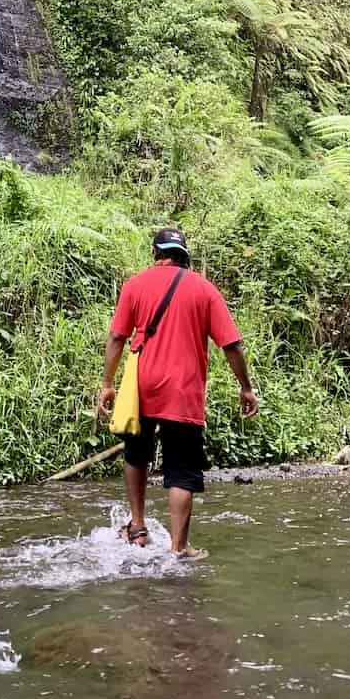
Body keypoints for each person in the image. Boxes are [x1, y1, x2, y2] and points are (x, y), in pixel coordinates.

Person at [98, 227, 258, 558]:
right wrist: (245, 387)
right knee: (181, 469)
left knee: (136, 453)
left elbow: (116, 337)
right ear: (185, 256)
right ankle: (178, 549)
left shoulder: (136, 284)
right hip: (183, 391)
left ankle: (138, 528)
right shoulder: (205, 290)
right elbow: (232, 345)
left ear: (156, 254)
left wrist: (108, 383)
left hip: (141, 386)